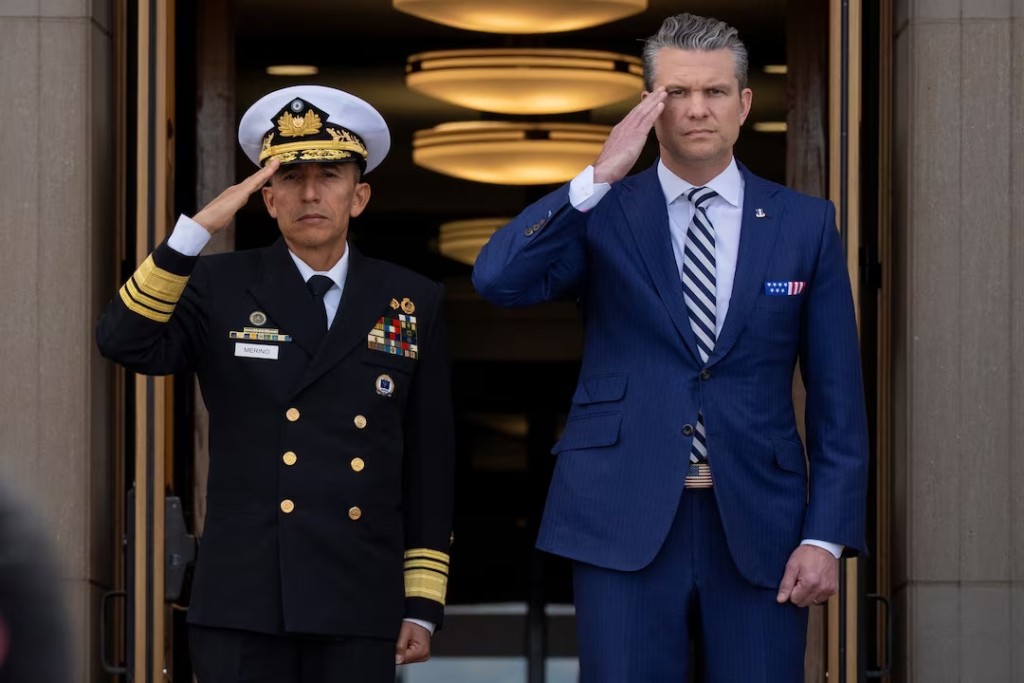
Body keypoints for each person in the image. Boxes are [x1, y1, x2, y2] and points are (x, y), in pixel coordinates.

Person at [472, 13, 869, 682]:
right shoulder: (606, 211)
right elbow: (497, 278)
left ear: (744, 103)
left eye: (714, 92)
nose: (696, 109)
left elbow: (839, 401)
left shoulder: (806, 224)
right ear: (649, 105)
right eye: (676, 93)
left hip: (762, 521)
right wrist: (595, 177)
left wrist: (823, 535)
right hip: (618, 512)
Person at [97, 85, 455, 682]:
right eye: (289, 177)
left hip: (358, 595)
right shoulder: (219, 284)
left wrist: (421, 601)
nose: (310, 192)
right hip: (245, 595)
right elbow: (124, 341)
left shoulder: (413, 298)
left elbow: (430, 458)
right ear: (266, 197)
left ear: (359, 195)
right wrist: (195, 231)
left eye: (330, 174)